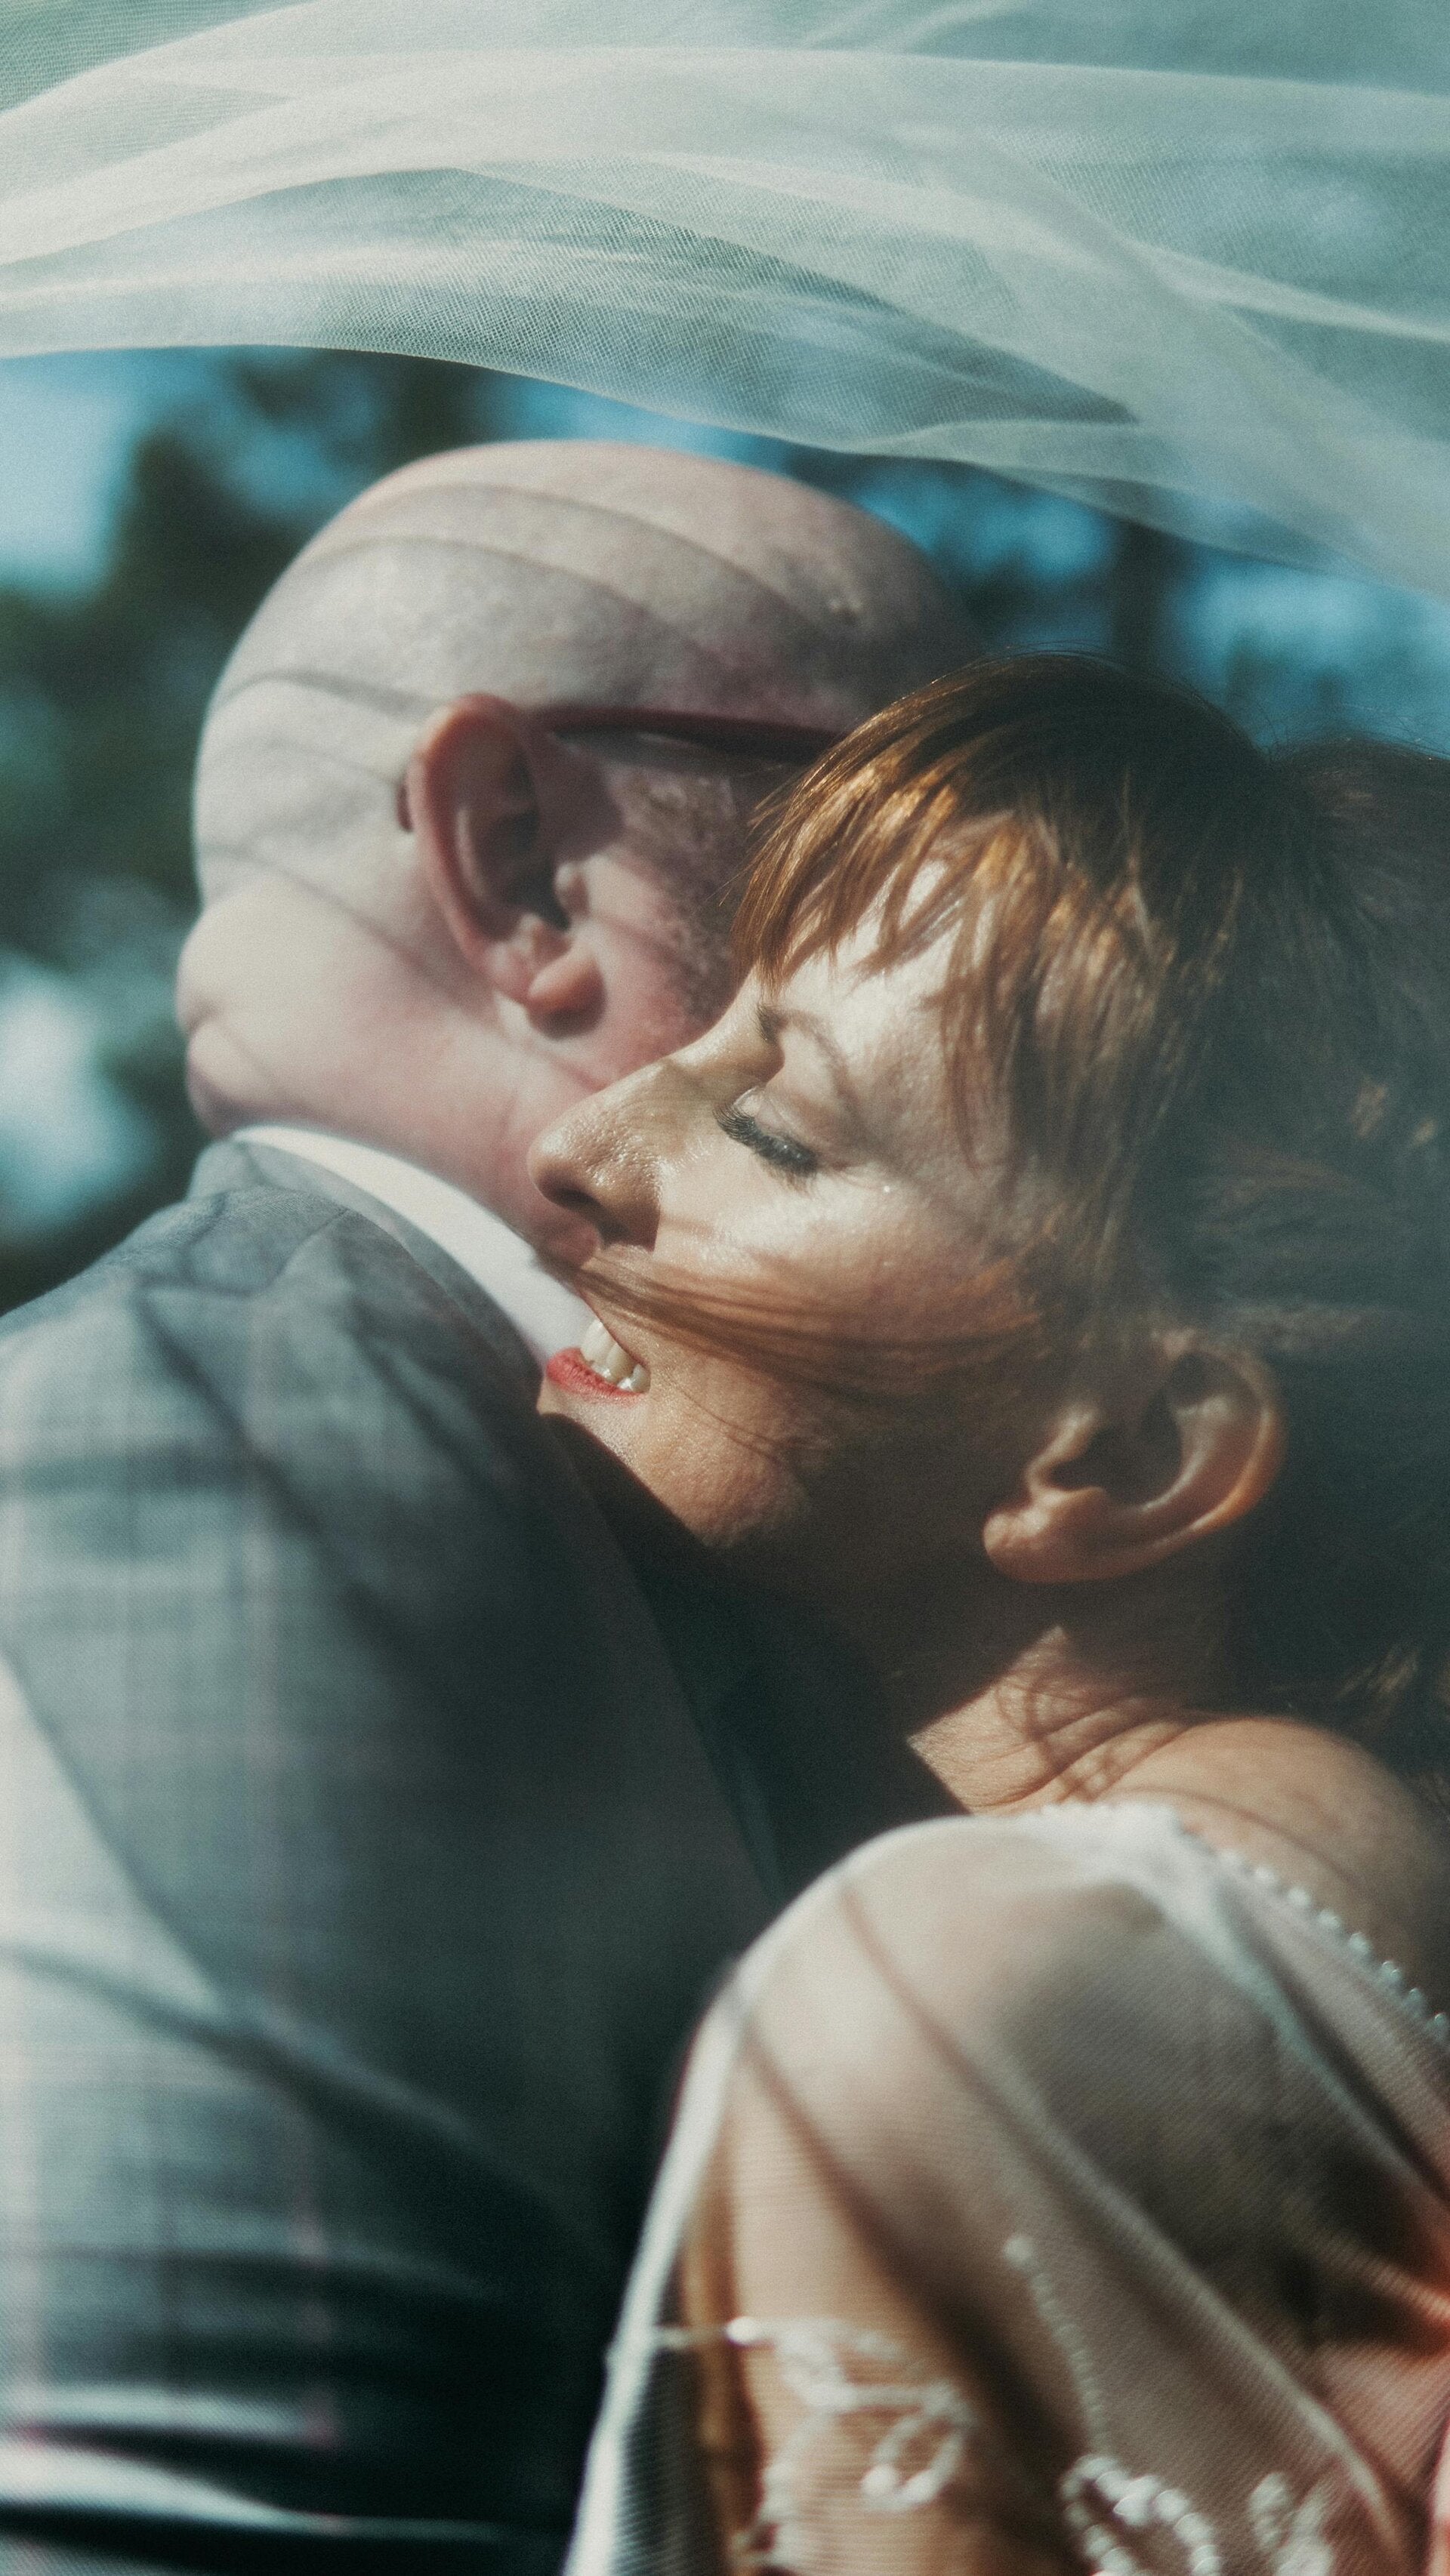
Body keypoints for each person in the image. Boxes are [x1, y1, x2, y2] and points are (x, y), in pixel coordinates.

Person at [0, 440, 969, 2574]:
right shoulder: (213, 1467)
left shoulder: (534, 1456)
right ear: (524, 862)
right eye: (920, 836)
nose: (1026, 938)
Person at [532, 659, 1450, 2576]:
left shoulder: (949, 1997)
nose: (587, 1147)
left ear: (1126, 1453)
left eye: (779, 1133)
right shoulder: (1342, 1930)